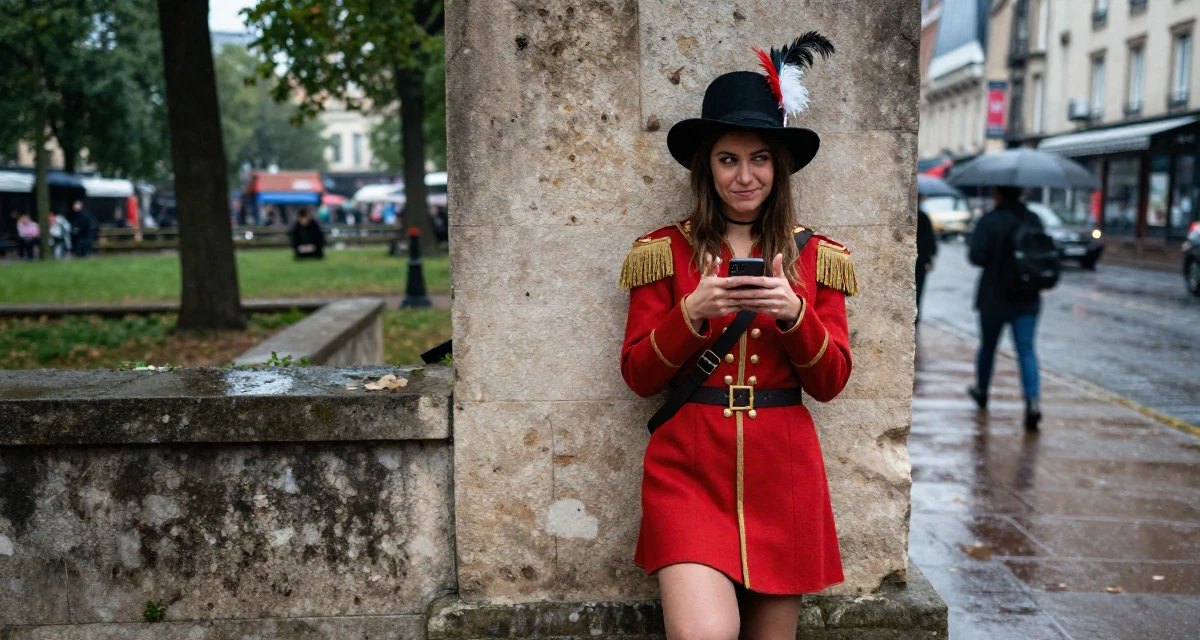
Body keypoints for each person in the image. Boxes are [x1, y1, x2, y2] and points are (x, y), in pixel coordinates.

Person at [620, 34, 854, 639]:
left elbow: (830, 384)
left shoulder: (819, 257)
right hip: (688, 468)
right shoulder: (662, 251)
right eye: (728, 158)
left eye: (759, 158)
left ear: (778, 167)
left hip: (784, 473)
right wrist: (690, 314)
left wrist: (795, 316)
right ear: (707, 166)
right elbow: (639, 376)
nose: (744, 176)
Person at [967, 185, 1043, 431]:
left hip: (994, 296)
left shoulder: (989, 221)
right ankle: (1032, 401)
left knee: (988, 347)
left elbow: (976, 257)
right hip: (1027, 297)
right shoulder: (1033, 219)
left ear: (997, 193)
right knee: (1026, 350)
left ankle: (982, 391)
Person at [915, 195, 937, 321]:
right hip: (919, 264)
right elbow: (930, 243)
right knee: (916, 297)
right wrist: (928, 259)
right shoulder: (922, 217)